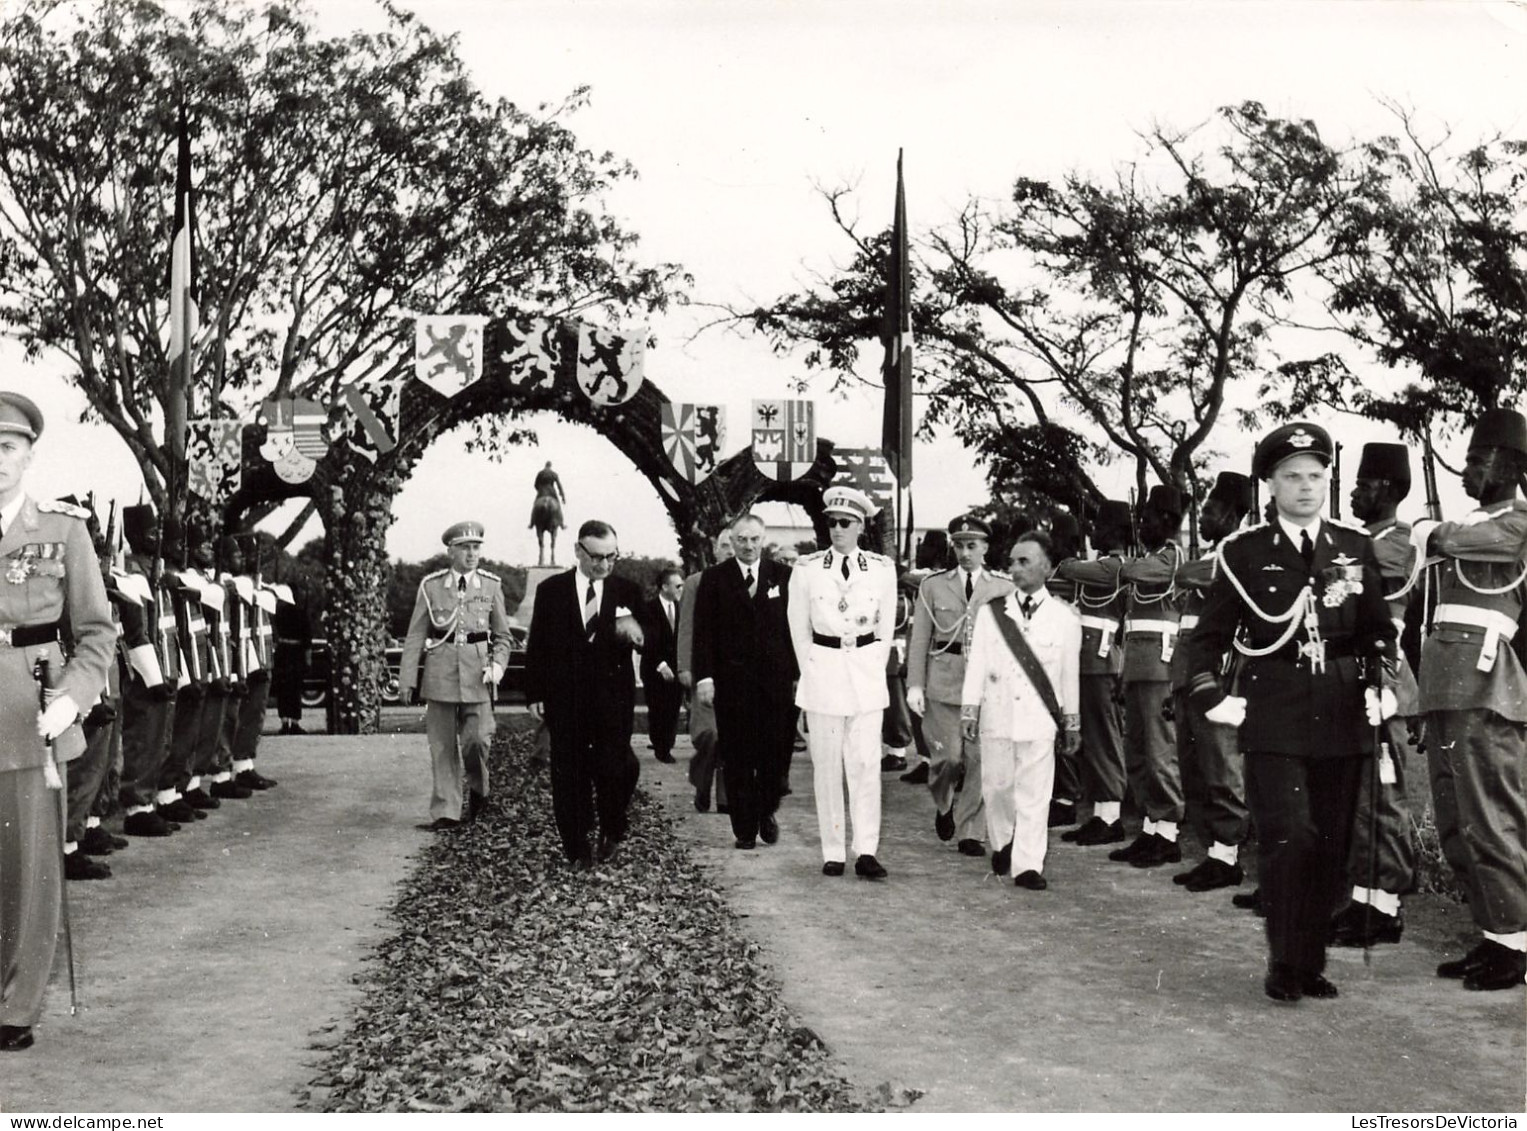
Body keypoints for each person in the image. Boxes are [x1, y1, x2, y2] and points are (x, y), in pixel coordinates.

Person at [1186, 421, 1395, 1004]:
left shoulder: (1353, 547)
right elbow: (1206, 641)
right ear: (1271, 485)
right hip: (1274, 714)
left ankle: (1310, 960)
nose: (1307, 487)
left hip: (1343, 713)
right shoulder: (1243, 552)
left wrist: (1383, 680)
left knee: (1330, 842)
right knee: (1287, 835)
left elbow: (1378, 630)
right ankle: (1283, 958)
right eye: (1293, 477)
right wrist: (1213, 698)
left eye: (1317, 476)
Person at [0, 391, 116, 1052]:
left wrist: (75, 694)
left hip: (30, 713)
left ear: (28, 455)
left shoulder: (63, 530)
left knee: (29, 871)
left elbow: (98, 633)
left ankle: (17, 1004)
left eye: (7, 447)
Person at [1410, 409, 1527, 991]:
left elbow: (1463, 540)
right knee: (1457, 819)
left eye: (1478, 462)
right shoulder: (1475, 524)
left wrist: (1429, 533)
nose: (1465, 471)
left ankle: (1515, 943)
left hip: (1487, 692)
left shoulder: (1517, 524)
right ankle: (1495, 935)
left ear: (1511, 467)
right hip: (1447, 690)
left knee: (1491, 820)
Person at [1329, 442, 1420, 946]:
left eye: (1363, 485)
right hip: (1355, 681)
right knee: (1362, 797)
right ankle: (1364, 898)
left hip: (1382, 682)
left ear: (1387, 488)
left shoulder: (1396, 542)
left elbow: (1343, 577)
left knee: (1383, 797)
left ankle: (1386, 907)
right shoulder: (1362, 541)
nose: (1355, 494)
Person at [788, 486, 897, 879]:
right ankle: (833, 849)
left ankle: (866, 849)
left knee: (866, 764)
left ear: (861, 527)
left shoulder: (883, 570)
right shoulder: (808, 569)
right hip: (824, 673)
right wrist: (813, 671)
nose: (837, 530)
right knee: (827, 767)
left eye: (845, 523)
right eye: (831, 522)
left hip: (865, 675)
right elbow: (798, 629)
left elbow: (886, 631)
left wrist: (870, 667)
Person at [961, 531, 1081, 890]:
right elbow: (977, 665)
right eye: (1012, 561)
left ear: (1046, 567)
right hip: (997, 714)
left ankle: (1028, 864)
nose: (1014, 568)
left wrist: (1071, 722)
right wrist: (970, 710)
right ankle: (1003, 843)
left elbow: (1068, 677)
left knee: (1035, 794)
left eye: (1023, 561)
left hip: (1039, 718)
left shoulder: (1065, 619)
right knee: (997, 788)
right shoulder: (992, 614)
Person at [525, 519, 644, 866]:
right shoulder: (552, 591)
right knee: (569, 774)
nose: (604, 565)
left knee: (615, 768)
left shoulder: (628, 591)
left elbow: (649, 636)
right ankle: (576, 848)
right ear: (578, 551)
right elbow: (538, 646)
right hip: (567, 699)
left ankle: (612, 825)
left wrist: (638, 632)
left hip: (613, 700)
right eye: (597, 557)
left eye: (612, 557)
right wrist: (535, 693)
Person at [1157, 472, 1253, 892]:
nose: (1203, 519)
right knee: (1194, 766)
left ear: (1233, 515)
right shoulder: (1221, 554)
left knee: (1219, 764)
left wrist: (1192, 573)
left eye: (1211, 512)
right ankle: (1214, 851)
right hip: (1189, 671)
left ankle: (1228, 855)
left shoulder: (1242, 553)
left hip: (1218, 675)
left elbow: (1188, 574)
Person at [906, 514, 1015, 860]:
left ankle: (971, 831)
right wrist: (915, 685)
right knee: (948, 758)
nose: (965, 552)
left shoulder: (1002, 587)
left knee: (980, 759)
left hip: (985, 686)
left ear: (985, 547)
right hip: (944, 681)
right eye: (959, 545)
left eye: (972, 545)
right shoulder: (933, 586)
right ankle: (944, 802)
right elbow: (920, 638)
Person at [692, 514, 798, 850]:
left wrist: (798, 675)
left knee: (775, 755)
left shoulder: (784, 577)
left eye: (754, 539)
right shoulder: (714, 579)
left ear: (764, 539)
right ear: (732, 542)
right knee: (737, 756)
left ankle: (766, 809)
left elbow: (795, 631)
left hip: (775, 685)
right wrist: (705, 678)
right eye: (742, 540)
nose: (749, 546)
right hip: (732, 685)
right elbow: (703, 634)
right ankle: (744, 828)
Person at [398, 521, 512, 831]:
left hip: (479, 676)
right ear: (451, 551)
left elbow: (503, 637)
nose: (472, 554)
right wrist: (407, 679)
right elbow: (415, 635)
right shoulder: (431, 586)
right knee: (443, 746)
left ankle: (479, 788)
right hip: (440, 674)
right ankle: (447, 812)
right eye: (465, 548)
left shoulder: (491, 586)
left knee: (477, 741)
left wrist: (498, 666)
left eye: (476, 548)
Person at [1112, 486, 1188, 868]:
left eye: (1148, 519)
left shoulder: (1170, 558)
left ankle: (1169, 833)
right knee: (1137, 753)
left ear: (1169, 523)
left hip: (1160, 668)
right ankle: (1150, 828)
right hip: (1138, 667)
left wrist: (1120, 566)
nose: (1141, 526)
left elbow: (1130, 571)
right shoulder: (1148, 558)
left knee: (1159, 754)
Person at [1053, 501, 1132, 845]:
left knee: (1104, 739)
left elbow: (1068, 569)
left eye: (1100, 527)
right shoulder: (1098, 565)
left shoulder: (1115, 566)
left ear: (1114, 532)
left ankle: (1111, 816)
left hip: (1101, 662)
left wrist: (1068, 555)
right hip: (1086, 661)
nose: (1094, 532)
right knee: (1090, 741)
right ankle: (1101, 813)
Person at [117, 503, 180, 837]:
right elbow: (136, 630)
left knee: (160, 737)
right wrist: (154, 677)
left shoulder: (155, 571)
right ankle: (138, 807)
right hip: (144, 672)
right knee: (143, 736)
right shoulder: (132, 571)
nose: (157, 539)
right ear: (135, 536)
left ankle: (150, 801)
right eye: (151, 533)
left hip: (162, 666)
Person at [679, 529, 732, 812]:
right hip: (704, 674)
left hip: (736, 676)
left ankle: (725, 798)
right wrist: (685, 667)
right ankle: (701, 780)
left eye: (734, 544)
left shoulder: (748, 583)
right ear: (715, 549)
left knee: (731, 737)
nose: (731, 550)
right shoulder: (696, 583)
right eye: (725, 545)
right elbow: (686, 626)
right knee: (710, 735)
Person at [639, 567, 684, 765]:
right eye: (677, 585)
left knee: (673, 706)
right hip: (654, 668)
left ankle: (666, 743)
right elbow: (646, 641)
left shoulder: (681, 608)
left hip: (677, 667)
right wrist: (661, 664)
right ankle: (661, 747)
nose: (681, 589)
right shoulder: (648, 609)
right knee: (657, 707)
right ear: (665, 586)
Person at [271, 591, 311, 735]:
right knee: (295, 689)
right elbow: (307, 638)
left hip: (282, 653)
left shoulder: (279, 613)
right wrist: (308, 659)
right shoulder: (301, 613)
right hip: (296, 654)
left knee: (283, 689)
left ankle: (284, 721)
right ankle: (294, 722)